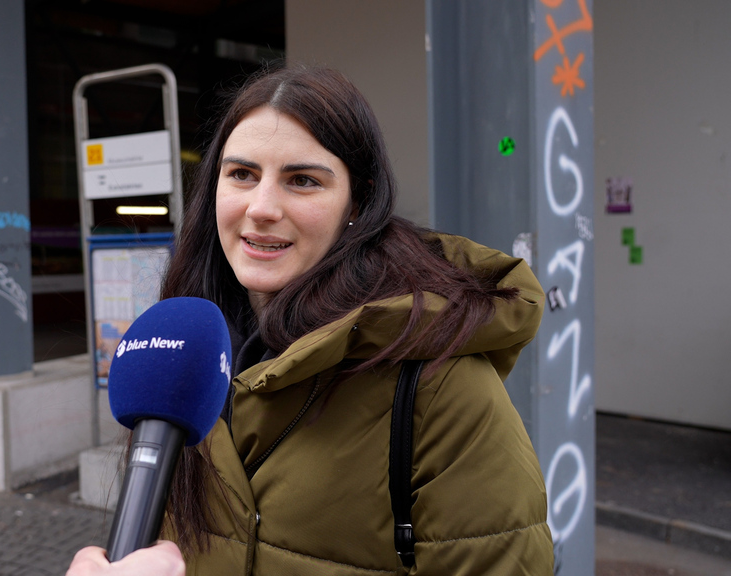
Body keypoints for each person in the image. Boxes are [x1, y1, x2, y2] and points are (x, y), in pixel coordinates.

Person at [69, 65, 553, 575]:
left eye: (302, 180)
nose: (261, 208)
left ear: (357, 202)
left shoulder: (445, 388)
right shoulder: (186, 364)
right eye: (242, 174)